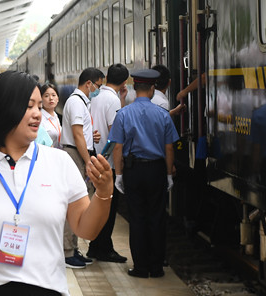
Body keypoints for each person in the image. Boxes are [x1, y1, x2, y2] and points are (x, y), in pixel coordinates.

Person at [0, 71, 114, 296]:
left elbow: (86, 229)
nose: (37, 114)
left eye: (38, 106)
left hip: (48, 292)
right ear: (3, 109)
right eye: (28, 106)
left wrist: (104, 194)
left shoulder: (59, 162)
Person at [108, 69, 179, 278]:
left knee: (137, 219)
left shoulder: (123, 114)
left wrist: (119, 175)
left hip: (133, 171)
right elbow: (169, 148)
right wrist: (168, 174)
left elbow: (118, 148)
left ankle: (140, 267)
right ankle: (156, 267)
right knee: (157, 217)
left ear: (133, 88)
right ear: (152, 88)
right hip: (156, 169)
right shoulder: (163, 115)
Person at [59, 67, 104, 268]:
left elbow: (80, 133)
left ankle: (73, 248)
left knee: (78, 201)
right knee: (74, 202)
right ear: (89, 84)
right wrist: (88, 161)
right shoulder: (77, 103)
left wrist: (90, 138)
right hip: (76, 154)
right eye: (98, 86)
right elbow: (77, 135)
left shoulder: (79, 102)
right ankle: (67, 251)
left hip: (79, 152)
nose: (98, 90)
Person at [86, 64, 130, 263]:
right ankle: (103, 248)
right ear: (123, 82)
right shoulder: (112, 100)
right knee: (109, 209)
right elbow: (116, 132)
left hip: (96, 157)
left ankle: (96, 246)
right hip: (108, 161)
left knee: (100, 205)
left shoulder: (96, 96)